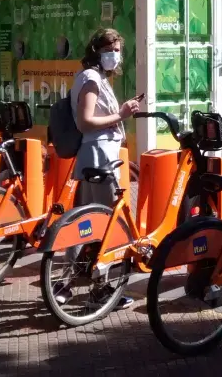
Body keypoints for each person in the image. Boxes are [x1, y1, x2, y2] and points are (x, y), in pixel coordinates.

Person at [55, 28, 141, 309]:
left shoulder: (92, 78)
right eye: (109, 50)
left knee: (87, 222)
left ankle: (67, 283)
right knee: (105, 224)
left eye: (117, 50)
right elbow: (86, 122)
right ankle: (98, 290)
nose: (114, 55)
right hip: (99, 159)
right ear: (97, 51)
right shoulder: (92, 79)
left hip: (97, 156)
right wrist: (122, 114)